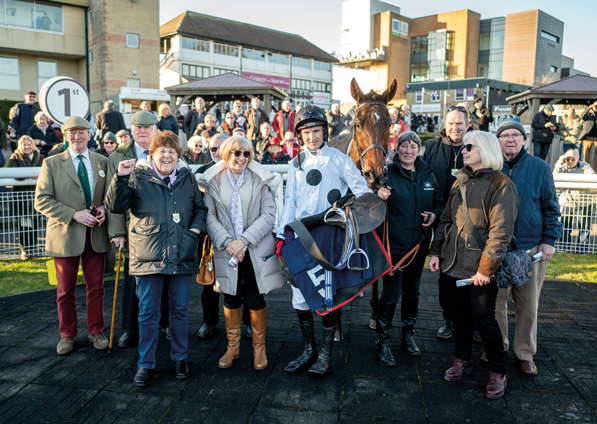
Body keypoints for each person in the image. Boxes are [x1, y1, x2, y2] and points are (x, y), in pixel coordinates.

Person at [276, 105, 373, 375]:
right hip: (299, 236)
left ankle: (326, 356)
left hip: (329, 237)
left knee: (327, 295)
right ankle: (309, 350)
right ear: (299, 136)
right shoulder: (294, 164)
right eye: (306, 132)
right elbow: (290, 203)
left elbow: (362, 193)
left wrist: (347, 205)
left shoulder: (340, 160)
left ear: (324, 132)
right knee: (300, 295)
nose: (311, 137)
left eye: (316, 131)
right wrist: (281, 235)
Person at [105, 130, 207, 387]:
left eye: (172, 151)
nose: (167, 155)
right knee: (148, 313)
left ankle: (180, 357)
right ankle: (145, 363)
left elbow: (200, 208)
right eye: (162, 150)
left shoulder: (186, 177)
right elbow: (115, 206)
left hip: (182, 254)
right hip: (147, 256)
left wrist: (194, 230)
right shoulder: (137, 176)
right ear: (152, 154)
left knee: (180, 311)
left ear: (178, 156)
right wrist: (120, 176)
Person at [428, 130, 519, 399]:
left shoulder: (501, 184)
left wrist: (486, 269)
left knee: (485, 319)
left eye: (469, 146)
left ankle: (498, 372)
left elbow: (501, 232)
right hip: (453, 263)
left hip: (480, 268)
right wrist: (435, 253)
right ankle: (462, 359)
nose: (463, 150)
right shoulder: (461, 181)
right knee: (460, 316)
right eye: (464, 146)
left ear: (486, 150)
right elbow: (446, 219)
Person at [197, 136, 283, 370]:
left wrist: (243, 242)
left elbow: (268, 215)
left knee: (255, 299)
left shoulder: (259, 179)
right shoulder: (214, 181)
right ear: (226, 154)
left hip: (255, 250)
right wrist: (228, 242)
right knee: (231, 298)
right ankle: (232, 348)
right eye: (236, 153)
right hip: (227, 251)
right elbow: (209, 216)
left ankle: (259, 349)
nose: (241, 158)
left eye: (246, 154)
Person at [34, 116, 111, 356]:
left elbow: (111, 195)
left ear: (90, 135)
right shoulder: (52, 163)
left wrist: (106, 211)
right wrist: (73, 215)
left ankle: (96, 331)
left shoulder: (103, 161)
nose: (77, 137)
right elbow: (41, 200)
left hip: (96, 235)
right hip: (65, 235)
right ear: (65, 136)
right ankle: (67, 334)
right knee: (64, 290)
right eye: (72, 133)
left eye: (81, 132)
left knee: (96, 288)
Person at [496, 114, 562, 376]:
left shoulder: (540, 167)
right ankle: (497, 347)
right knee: (496, 303)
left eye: (515, 135)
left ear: (524, 139)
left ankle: (525, 352)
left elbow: (550, 207)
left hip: (530, 247)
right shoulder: (490, 166)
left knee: (528, 305)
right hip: (498, 248)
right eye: (504, 136)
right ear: (498, 140)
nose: (510, 140)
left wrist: (548, 241)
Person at [376, 132, 443, 364]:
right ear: (397, 149)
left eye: (413, 146)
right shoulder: (387, 173)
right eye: (403, 146)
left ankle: (407, 335)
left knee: (412, 292)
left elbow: (439, 201)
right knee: (392, 293)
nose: (408, 150)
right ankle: (382, 340)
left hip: (419, 245)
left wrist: (434, 214)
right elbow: (368, 200)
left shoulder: (427, 173)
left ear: (418, 150)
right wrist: (378, 194)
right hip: (393, 246)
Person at [106, 111, 168, 349]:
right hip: (133, 231)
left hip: (162, 230)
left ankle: (164, 324)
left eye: (147, 128)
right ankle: (131, 329)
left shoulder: (165, 151)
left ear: (155, 130)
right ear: (131, 131)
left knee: (164, 279)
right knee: (132, 283)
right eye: (137, 128)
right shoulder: (118, 156)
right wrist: (117, 232)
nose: (142, 132)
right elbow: (111, 198)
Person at [422, 106, 472, 340]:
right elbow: (422, 177)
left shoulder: (476, 145)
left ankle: (473, 320)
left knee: (469, 269)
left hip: (468, 219)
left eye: (459, 123)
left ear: (468, 123)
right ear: (445, 124)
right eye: (451, 123)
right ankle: (448, 318)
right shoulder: (433, 147)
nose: (455, 127)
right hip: (439, 216)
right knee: (444, 270)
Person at [8, 135, 44, 259]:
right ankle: (24, 249)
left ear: (33, 145)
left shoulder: (41, 157)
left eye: (29, 144)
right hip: (21, 197)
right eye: (24, 144)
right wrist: (29, 175)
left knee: (34, 223)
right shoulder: (15, 157)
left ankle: (33, 248)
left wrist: (36, 176)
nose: (27, 146)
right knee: (23, 224)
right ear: (20, 146)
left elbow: (45, 172)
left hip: (36, 196)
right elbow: (12, 171)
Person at [554, 149, 595, 252]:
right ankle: (564, 247)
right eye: (568, 159)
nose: (570, 161)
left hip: (583, 201)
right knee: (565, 225)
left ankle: (582, 248)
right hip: (567, 201)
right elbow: (553, 176)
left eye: (573, 159)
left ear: (578, 159)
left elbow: (592, 176)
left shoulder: (585, 166)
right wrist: (560, 161)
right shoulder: (562, 166)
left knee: (584, 226)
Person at [578, 101, 597, 172]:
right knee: (586, 156)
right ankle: (585, 171)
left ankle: (595, 172)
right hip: (587, 138)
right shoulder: (589, 114)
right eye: (596, 106)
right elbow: (582, 116)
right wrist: (589, 107)